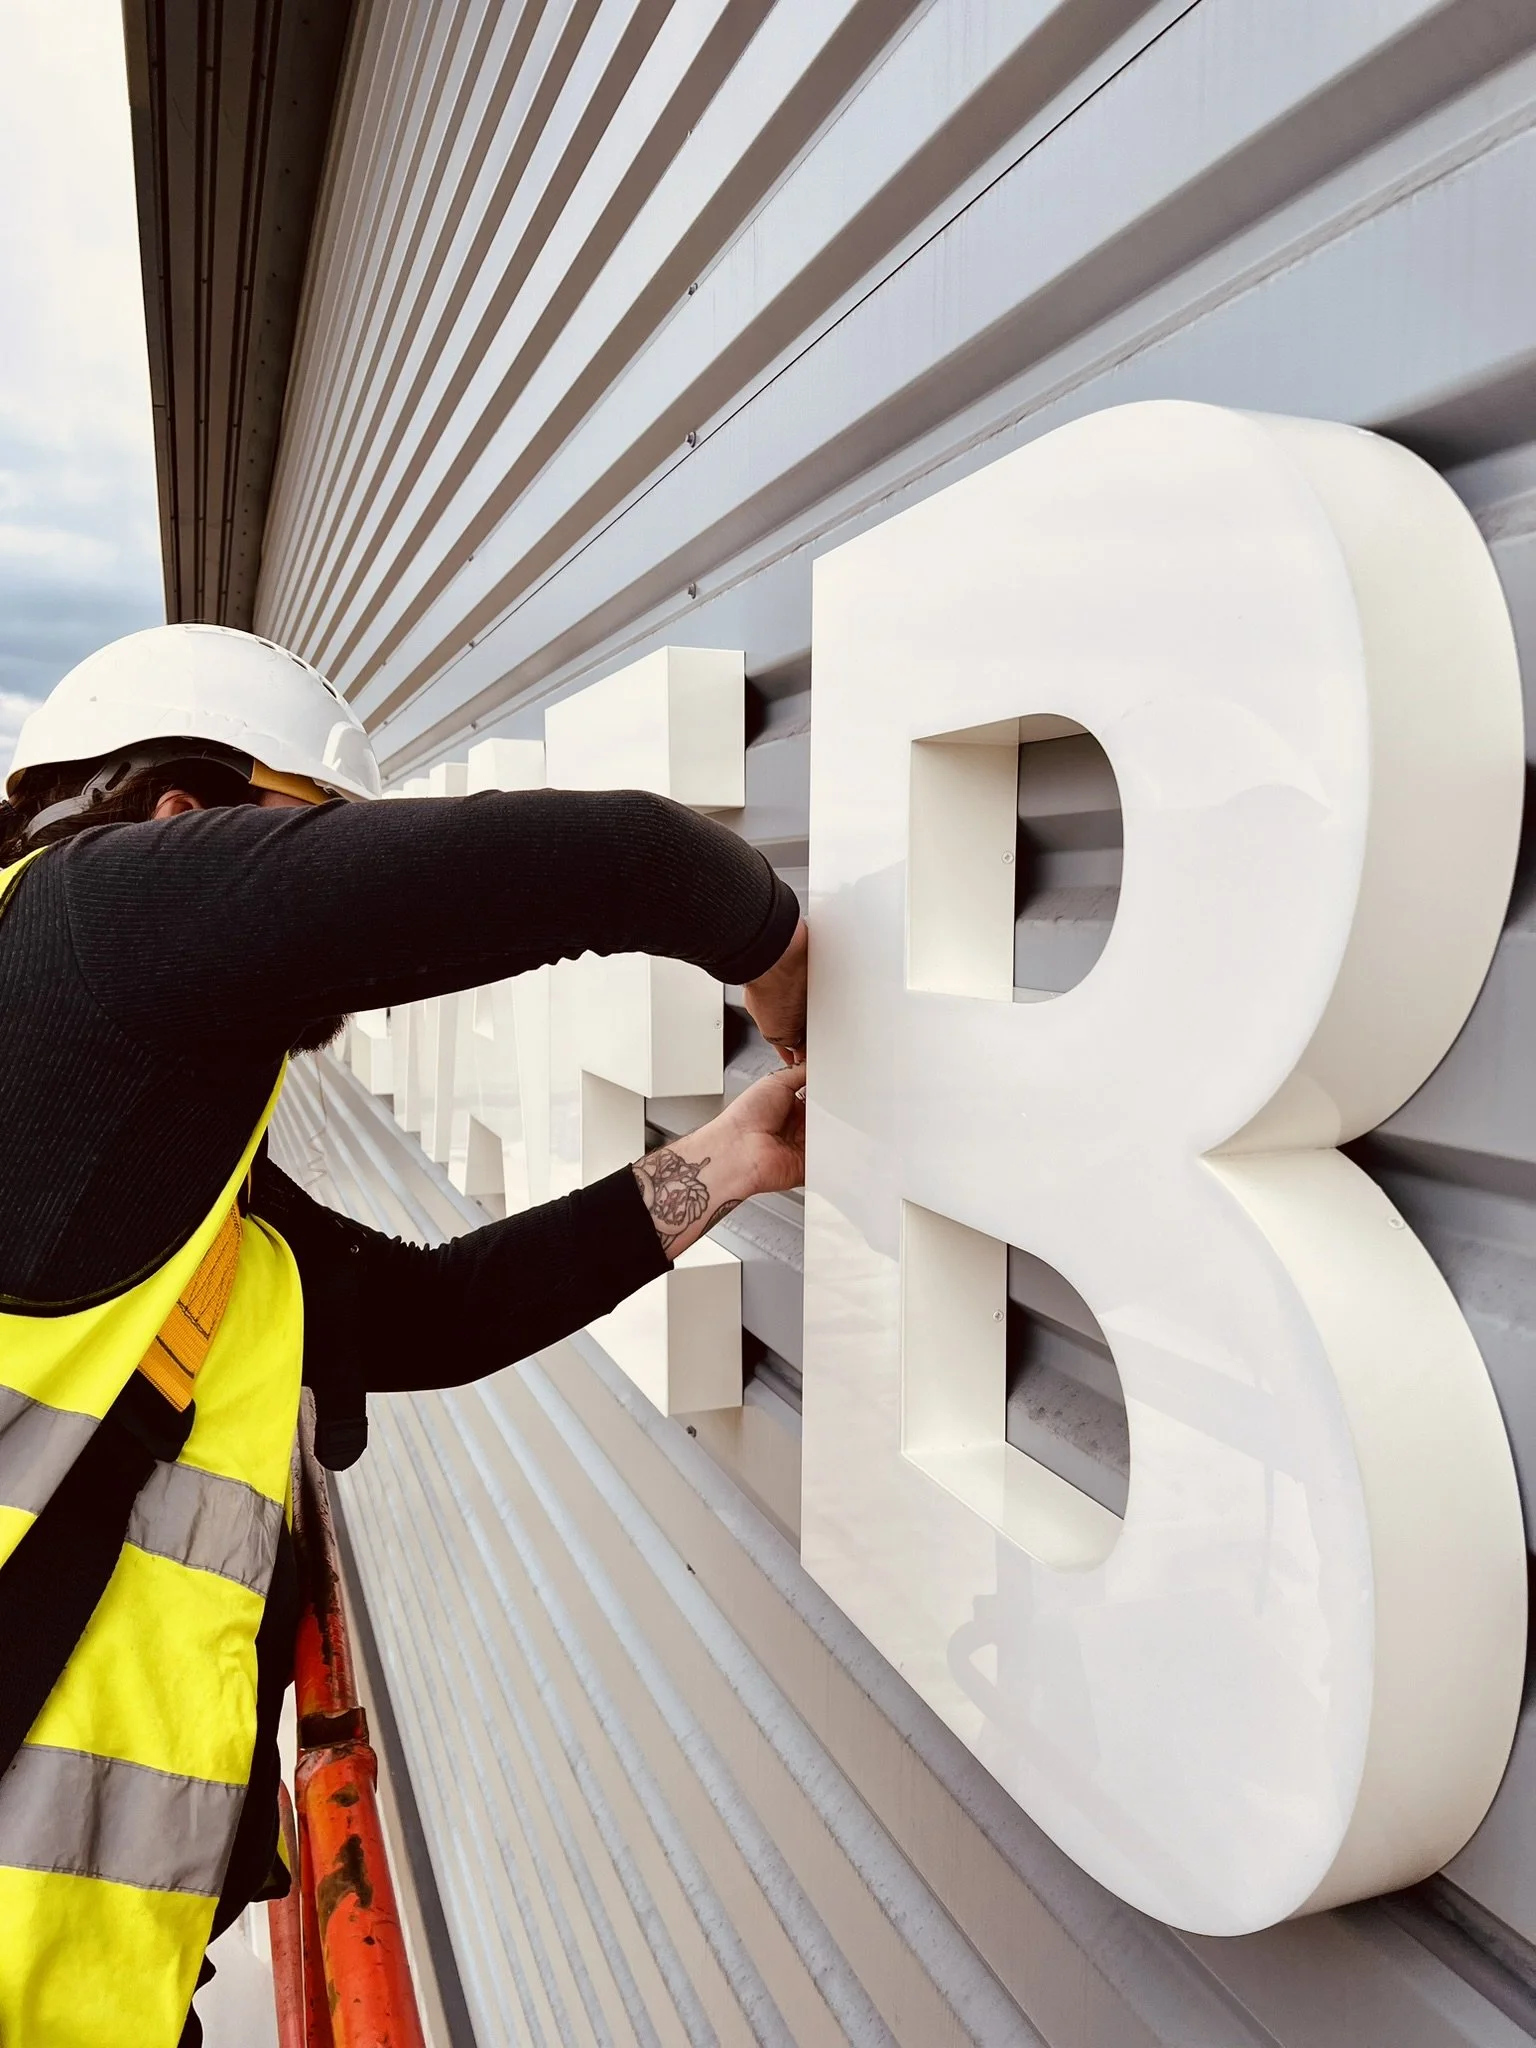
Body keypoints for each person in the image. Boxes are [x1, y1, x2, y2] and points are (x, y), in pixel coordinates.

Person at [0, 623, 808, 2047]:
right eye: (304, 847)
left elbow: (419, 1316)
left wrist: (723, 1165)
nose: (321, 921)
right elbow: (623, 860)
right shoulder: (80, 927)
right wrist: (777, 948)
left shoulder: (157, 1174)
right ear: (179, 819)